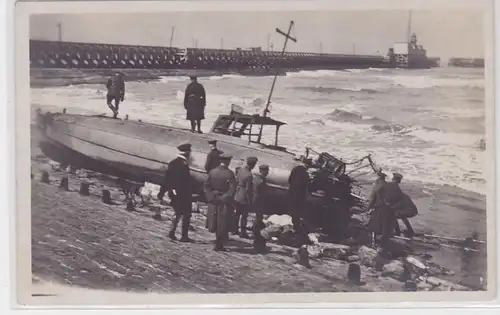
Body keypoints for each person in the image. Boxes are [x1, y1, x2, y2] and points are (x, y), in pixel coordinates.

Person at [157, 143, 194, 242]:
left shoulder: (172, 162)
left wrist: (162, 192)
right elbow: (184, 181)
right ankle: (184, 236)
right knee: (186, 214)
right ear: (187, 153)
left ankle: (171, 231)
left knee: (176, 213)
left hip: (174, 193)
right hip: (183, 194)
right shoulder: (184, 165)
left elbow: (167, 179)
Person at [203, 153, 237, 251]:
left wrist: (211, 197)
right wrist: (223, 198)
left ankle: (218, 243)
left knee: (214, 221)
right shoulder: (230, 174)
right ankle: (219, 244)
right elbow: (232, 190)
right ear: (228, 161)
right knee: (222, 223)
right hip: (223, 202)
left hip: (213, 201)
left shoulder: (212, 172)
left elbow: (206, 186)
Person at [234, 156, 258, 238]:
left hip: (237, 194)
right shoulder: (249, 175)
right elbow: (248, 189)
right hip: (244, 197)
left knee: (237, 214)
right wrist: (250, 200)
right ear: (252, 165)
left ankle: (234, 230)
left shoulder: (240, 170)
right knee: (244, 216)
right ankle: (243, 232)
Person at [288, 158, 311, 234]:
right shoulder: (305, 173)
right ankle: (297, 229)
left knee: (293, 212)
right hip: (299, 196)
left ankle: (295, 227)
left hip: (291, 194)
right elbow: (307, 185)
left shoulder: (295, 169)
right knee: (298, 213)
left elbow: (290, 180)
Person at [390, 173, 417, 237]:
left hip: (410, 211)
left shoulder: (396, 191)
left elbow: (397, 204)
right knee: (401, 215)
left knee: (393, 215)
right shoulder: (398, 191)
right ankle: (410, 231)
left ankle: (397, 233)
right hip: (412, 210)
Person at [252, 164, 270, 253]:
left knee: (259, 220)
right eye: (266, 170)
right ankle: (256, 237)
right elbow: (257, 193)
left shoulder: (259, 179)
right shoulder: (260, 181)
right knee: (258, 220)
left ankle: (257, 235)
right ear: (262, 171)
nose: (267, 172)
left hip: (260, 202)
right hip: (259, 203)